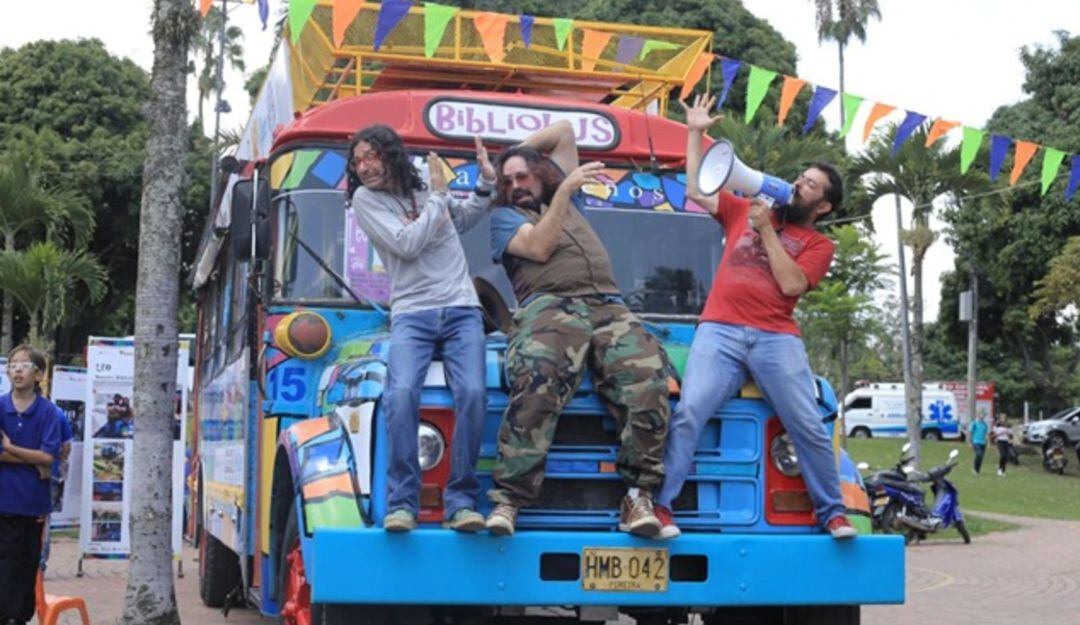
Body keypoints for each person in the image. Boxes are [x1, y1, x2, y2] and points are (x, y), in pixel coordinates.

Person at [656, 94, 855, 540]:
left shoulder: (819, 245)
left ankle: (833, 513)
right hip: (719, 330)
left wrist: (766, 231)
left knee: (808, 422)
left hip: (775, 337)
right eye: (800, 177)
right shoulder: (743, 210)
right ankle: (662, 506)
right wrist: (694, 134)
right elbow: (696, 190)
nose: (798, 185)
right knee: (689, 412)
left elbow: (790, 285)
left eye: (809, 186)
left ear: (822, 206)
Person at [484, 120, 671, 538]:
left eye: (523, 176)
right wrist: (562, 189)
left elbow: (564, 132)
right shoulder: (504, 217)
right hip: (550, 305)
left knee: (649, 376)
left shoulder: (569, 196)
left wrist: (510, 157)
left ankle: (638, 496)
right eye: (507, 181)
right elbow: (538, 247)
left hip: (609, 305)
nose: (515, 185)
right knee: (539, 370)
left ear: (540, 172)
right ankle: (509, 498)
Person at [349, 125, 497, 532]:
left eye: (371, 157)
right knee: (399, 395)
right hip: (412, 313)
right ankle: (403, 504)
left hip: (462, 308)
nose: (364, 167)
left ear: (391, 154)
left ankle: (461, 502)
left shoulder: (426, 189)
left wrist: (485, 183)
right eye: (357, 161)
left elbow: (462, 218)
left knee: (473, 393)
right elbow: (407, 243)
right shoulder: (365, 200)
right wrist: (438, 197)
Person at [0, 345, 63, 625]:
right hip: (3, 501)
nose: (17, 370)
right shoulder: (1, 407)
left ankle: (19, 618)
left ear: (38, 374)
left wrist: (11, 448)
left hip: (33, 503)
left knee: (27, 564)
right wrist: (33, 460)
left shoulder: (48, 412)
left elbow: (49, 456)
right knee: (5, 561)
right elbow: (40, 459)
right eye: (13, 365)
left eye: (24, 366)